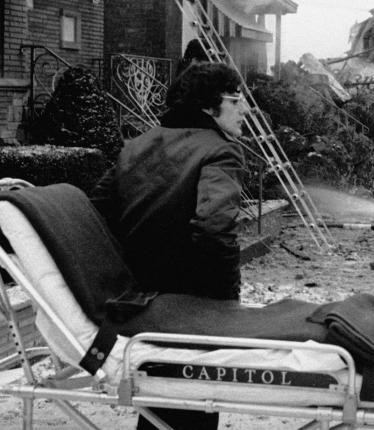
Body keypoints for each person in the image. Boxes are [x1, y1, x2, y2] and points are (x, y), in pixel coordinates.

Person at [91, 61, 253, 430]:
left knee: (160, 405)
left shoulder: (136, 145)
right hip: (193, 306)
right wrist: (228, 299)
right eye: (236, 99)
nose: (245, 109)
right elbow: (214, 229)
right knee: (195, 404)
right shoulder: (220, 150)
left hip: (142, 301)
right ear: (209, 106)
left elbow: (98, 210)